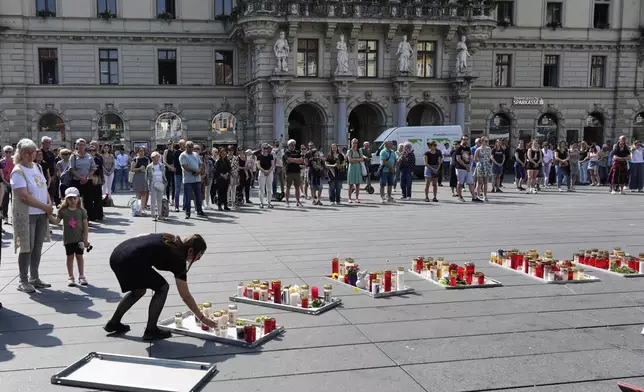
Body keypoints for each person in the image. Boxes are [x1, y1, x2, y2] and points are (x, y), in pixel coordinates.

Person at [105, 233, 211, 341]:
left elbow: (143, 236)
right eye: (199, 255)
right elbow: (185, 296)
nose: (198, 259)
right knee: (163, 288)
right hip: (129, 260)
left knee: (139, 291)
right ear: (190, 251)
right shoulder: (178, 259)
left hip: (118, 254)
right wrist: (202, 318)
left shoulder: (168, 238)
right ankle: (151, 330)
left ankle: (113, 323)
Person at [11, 138, 53, 293]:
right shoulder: (18, 171)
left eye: (32, 152)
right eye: (26, 152)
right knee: (26, 248)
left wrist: (49, 204)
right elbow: (24, 196)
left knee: (37, 247)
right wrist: (45, 207)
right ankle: (23, 280)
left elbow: (43, 187)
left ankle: (34, 277)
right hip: (27, 214)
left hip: (41, 214)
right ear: (20, 154)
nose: (30, 155)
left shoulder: (38, 167)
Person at [55, 187, 89, 287]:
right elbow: (56, 222)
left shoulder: (81, 211)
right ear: (66, 199)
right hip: (68, 239)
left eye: (74, 198)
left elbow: (86, 226)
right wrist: (48, 214)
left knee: (79, 256)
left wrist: (85, 239)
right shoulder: (63, 211)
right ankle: (71, 277)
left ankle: (81, 276)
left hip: (79, 240)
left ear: (78, 198)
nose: (72, 201)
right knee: (70, 257)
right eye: (70, 198)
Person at [69, 139, 97, 219]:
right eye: (79, 145)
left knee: (88, 200)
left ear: (85, 146)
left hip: (87, 181)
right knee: (75, 200)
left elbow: (93, 168)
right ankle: (76, 217)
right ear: (76, 146)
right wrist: (80, 178)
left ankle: (87, 218)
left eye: (82, 145)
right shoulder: (73, 156)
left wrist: (86, 177)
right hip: (76, 181)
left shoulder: (89, 156)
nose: (81, 146)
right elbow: (71, 169)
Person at [180, 141, 205, 218]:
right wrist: (195, 170)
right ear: (185, 147)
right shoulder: (183, 155)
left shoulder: (196, 154)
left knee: (198, 196)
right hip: (188, 180)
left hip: (197, 179)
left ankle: (199, 210)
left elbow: (201, 164)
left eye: (192, 146)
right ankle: (188, 212)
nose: (191, 148)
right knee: (188, 197)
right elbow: (185, 167)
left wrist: (199, 170)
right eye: (189, 146)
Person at [454, 135, 482, 203]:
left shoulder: (468, 148)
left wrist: (469, 165)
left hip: (467, 168)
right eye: (464, 139)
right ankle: (460, 197)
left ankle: (474, 197)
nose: (465, 141)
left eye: (467, 139)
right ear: (461, 140)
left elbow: (471, 157)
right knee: (460, 183)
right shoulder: (458, 148)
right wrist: (465, 165)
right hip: (460, 168)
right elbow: (458, 159)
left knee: (471, 183)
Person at [147, 152, 167, 221]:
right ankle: (153, 214)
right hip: (153, 183)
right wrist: (148, 185)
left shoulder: (162, 166)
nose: (155, 159)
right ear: (151, 158)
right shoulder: (149, 166)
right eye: (153, 158)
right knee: (153, 200)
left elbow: (164, 175)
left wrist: (165, 184)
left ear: (159, 158)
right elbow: (146, 177)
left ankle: (159, 214)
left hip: (160, 183)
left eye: (157, 157)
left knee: (159, 200)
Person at [283, 139, 304, 207]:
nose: (293, 146)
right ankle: (287, 201)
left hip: (297, 172)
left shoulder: (298, 152)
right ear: (288, 146)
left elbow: (301, 161)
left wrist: (293, 160)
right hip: (289, 172)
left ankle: (298, 201)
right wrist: (296, 160)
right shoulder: (287, 153)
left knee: (297, 187)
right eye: (291, 145)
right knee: (288, 187)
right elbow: (288, 160)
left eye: (294, 145)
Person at [131, 147, 149, 213]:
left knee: (144, 193)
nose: (142, 152)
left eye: (143, 150)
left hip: (144, 177)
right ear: (137, 152)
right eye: (140, 150)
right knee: (138, 193)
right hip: (137, 177)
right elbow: (132, 169)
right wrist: (139, 168)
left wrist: (145, 170)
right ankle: (138, 208)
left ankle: (143, 208)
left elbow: (149, 168)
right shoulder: (135, 159)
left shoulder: (147, 159)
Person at [257, 144, 275, 209]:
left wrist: (268, 171)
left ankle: (269, 202)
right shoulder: (259, 156)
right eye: (264, 148)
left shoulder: (270, 156)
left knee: (269, 188)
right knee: (261, 188)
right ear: (261, 148)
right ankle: (261, 203)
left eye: (266, 148)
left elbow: (272, 165)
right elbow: (258, 166)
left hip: (269, 172)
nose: (265, 150)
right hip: (262, 172)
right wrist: (264, 171)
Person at [346, 138, 364, 203]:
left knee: (357, 184)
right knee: (350, 184)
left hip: (358, 167)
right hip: (352, 167)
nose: (355, 144)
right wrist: (358, 160)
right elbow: (350, 160)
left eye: (356, 143)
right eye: (353, 142)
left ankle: (357, 198)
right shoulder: (349, 151)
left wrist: (355, 160)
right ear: (351, 143)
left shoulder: (359, 151)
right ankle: (349, 198)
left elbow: (362, 158)